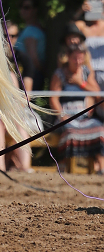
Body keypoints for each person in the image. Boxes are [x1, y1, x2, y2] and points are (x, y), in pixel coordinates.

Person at [50, 44, 104, 172]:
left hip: (84, 116)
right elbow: (53, 99)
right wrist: (62, 115)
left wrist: (81, 83)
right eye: (75, 59)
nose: (78, 62)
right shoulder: (60, 74)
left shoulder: (86, 72)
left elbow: (97, 93)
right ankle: (65, 166)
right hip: (67, 115)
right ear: (68, 57)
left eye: (80, 59)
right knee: (70, 132)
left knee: (100, 130)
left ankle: (101, 168)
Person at [16, 0, 46, 93]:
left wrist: (42, 72)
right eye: (21, 7)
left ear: (35, 10)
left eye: (27, 7)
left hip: (30, 75)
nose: (22, 10)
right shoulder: (33, 28)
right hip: (31, 74)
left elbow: (33, 58)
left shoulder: (31, 31)